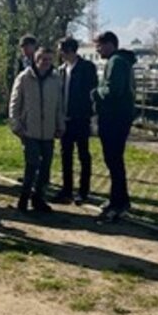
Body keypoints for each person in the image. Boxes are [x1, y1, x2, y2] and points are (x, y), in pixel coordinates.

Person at [10, 47, 65, 214]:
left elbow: (59, 105)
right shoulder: (24, 77)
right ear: (36, 59)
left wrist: (60, 125)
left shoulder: (56, 79)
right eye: (43, 59)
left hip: (48, 131)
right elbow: (15, 103)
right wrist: (16, 125)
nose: (46, 62)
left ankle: (38, 198)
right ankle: (24, 198)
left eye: (49, 59)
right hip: (29, 130)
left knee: (46, 167)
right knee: (32, 164)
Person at [92, 31, 137, 223]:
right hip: (119, 117)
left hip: (114, 118)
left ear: (110, 44)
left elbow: (112, 90)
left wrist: (96, 92)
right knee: (115, 161)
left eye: (99, 45)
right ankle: (120, 199)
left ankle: (118, 203)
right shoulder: (121, 61)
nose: (97, 49)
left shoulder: (116, 62)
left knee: (114, 161)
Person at [53, 37, 98, 205]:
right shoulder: (62, 70)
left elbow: (91, 93)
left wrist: (91, 116)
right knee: (65, 155)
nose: (59, 53)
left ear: (69, 50)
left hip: (81, 118)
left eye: (61, 50)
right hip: (65, 119)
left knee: (83, 155)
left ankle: (83, 191)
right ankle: (67, 189)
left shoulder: (87, 68)